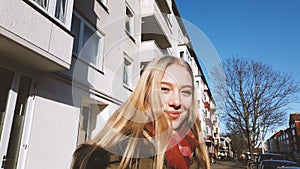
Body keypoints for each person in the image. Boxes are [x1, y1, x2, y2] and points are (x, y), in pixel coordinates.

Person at [71, 56, 211, 169]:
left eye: (185, 92)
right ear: (146, 94)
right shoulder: (112, 157)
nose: (177, 101)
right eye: (165, 89)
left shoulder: (196, 151)